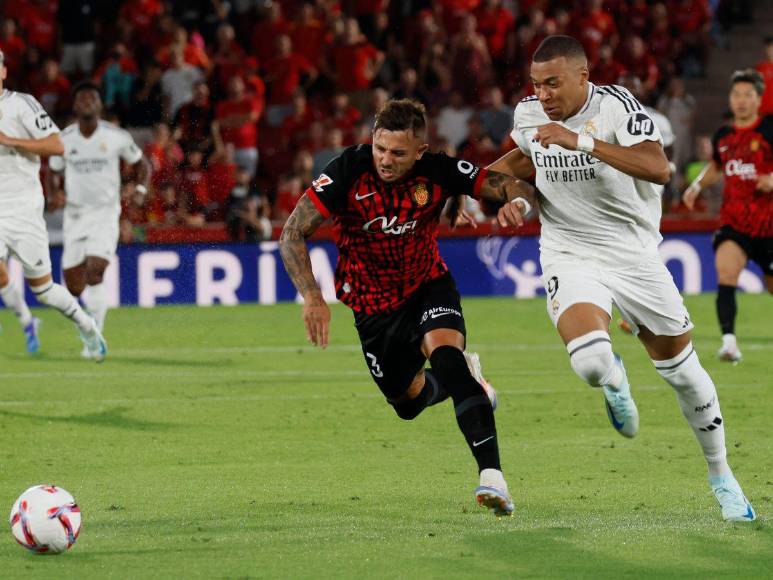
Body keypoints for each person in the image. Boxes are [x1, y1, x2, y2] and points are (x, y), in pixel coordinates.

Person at [494, 36, 755, 522]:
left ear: (582, 76)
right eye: (536, 84)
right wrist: (503, 194)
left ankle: (722, 476)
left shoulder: (615, 107)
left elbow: (658, 168)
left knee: (686, 377)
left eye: (553, 83)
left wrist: (583, 141)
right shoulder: (528, 114)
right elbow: (517, 167)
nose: (544, 95)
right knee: (590, 362)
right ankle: (615, 379)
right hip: (569, 251)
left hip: (632, 254)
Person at [279, 99, 533, 517]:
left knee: (447, 359)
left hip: (427, 287)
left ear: (420, 150)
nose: (385, 159)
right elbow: (292, 232)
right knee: (407, 404)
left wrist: (513, 204)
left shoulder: (437, 168)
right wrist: (312, 297)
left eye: (398, 153)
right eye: (380, 148)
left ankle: (493, 477)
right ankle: (473, 382)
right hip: (372, 308)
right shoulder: (348, 170)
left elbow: (506, 183)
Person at [0, 50, 106, 360]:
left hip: (22, 210)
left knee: (44, 291)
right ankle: (25, 321)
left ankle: (86, 325)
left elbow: (59, 145)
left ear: (4, 72)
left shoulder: (21, 105)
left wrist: (11, 141)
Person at [47, 82, 149, 354]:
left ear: (100, 105)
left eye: (93, 98)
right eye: (83, 99)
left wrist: (140, 189)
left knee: (96, 271)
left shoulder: (116, 136)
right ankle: (86, 325)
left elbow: (142, 164)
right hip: (75, 216)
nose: (88, 103)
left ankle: (95, 339)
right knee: (74, 286)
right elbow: (53, 170)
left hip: (106, 213)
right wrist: (54, 194)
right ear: (75, 106)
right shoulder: (65, 139)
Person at [682, 69, 773, 363]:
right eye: (736, 94)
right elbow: (716, 167)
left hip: (769, 226)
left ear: (759, 100)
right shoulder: (724, 135)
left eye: (748, 95)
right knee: (727, 274)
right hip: (734, 223)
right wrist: (696, 186)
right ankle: (729, 343)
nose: (741, 100)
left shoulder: (769, 129)